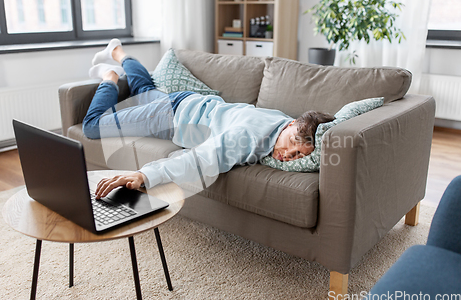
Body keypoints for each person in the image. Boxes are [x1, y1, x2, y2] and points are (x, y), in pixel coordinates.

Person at [84, 39, 335, 199]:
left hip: (188, 104)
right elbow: (200, 159)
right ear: (291, 125)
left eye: (299, 155)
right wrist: (145, 175)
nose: (287, 154)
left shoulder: (284, 121)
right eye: (291, 143)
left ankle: (119, 52)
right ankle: (110, 77)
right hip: (171, 115)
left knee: (144, 92)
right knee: (93, 126)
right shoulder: (248, 137)